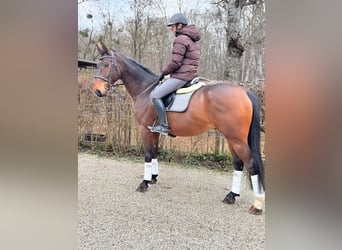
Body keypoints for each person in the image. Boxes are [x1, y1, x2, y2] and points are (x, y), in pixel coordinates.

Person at [148, 13, 201, 135]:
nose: (171, 29)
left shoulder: (181, 39)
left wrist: (163, 72)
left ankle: (164, 126)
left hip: (182, 76)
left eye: (172, 27)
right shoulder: (192, 39)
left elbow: (176, 62)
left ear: (179, 25)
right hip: (190, 74)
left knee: (155, 95)